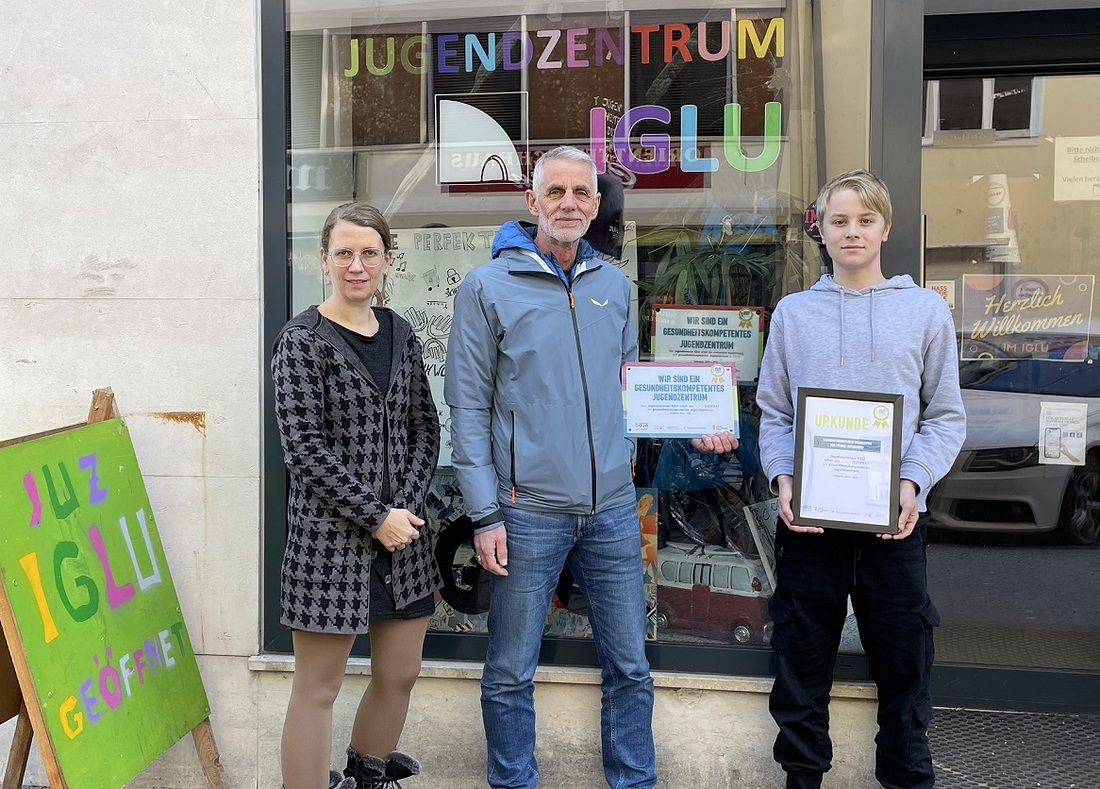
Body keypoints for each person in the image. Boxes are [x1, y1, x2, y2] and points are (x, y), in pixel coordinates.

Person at [444, 146, 656, 789]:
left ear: (596, 206)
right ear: (531, 202)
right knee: (510, 672)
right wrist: (484, 513)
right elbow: (467, 404)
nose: (569, 203)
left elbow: (632, 389)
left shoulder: (614, 286)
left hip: (613, 512)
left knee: (632, 669)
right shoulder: (486, 287)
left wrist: (691, 427)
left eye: (582, 193)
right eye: (555, 192)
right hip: (525, 510)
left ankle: (635, 782)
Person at [746, 169, 964, 789]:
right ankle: (803, 778)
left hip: (893, 528)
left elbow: (946, 416)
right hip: (810, 526)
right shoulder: (794, 314)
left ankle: (905, 779)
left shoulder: (924, 312)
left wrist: (913, 481)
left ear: (886, 229)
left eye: (866, 220)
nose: (853, 232)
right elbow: (776, 412)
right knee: (801, 664)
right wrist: (784, 478)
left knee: (904, 669)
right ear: (821, 228)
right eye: (839, 220)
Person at [272, 202, 441, 789]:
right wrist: (376, 516)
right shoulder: (301, 342)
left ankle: (367, 776)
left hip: (405, 541)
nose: (356, 265)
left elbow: (426, 425)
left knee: (401, 673)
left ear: (387, 262)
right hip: (329, 548)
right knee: (317, 689)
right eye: (344, 253)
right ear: (324, 261)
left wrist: (406, 509)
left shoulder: (399, 331)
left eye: (369, 252)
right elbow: (303, 449)